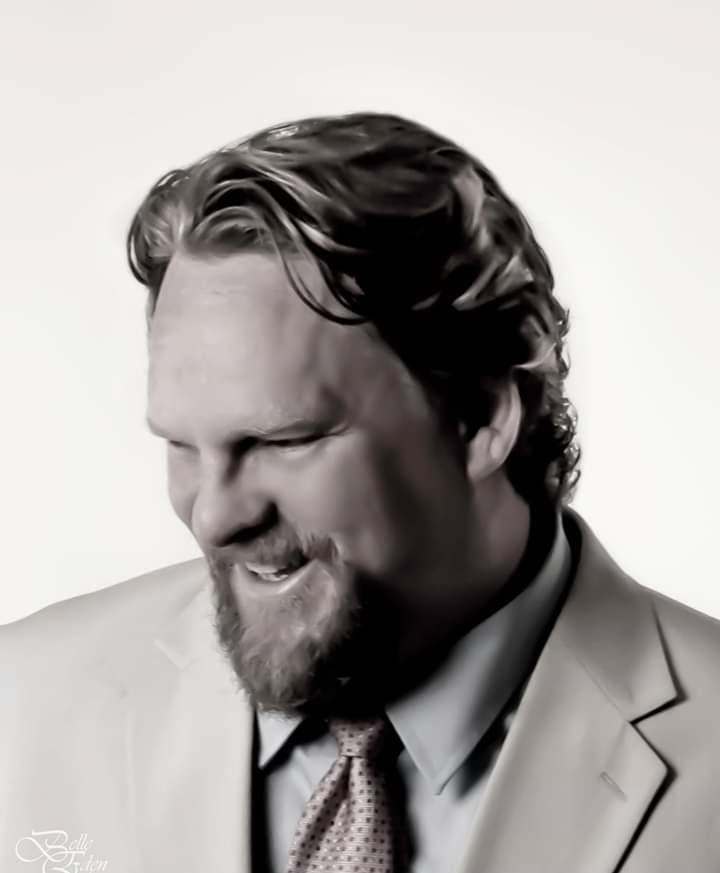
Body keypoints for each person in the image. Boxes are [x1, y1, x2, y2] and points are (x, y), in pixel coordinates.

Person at [1, 113, 719, 873]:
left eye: (283, 441)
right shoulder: (22, 704)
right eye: (180, 445)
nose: (212, 516)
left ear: (478, 417)